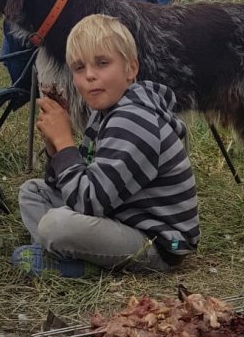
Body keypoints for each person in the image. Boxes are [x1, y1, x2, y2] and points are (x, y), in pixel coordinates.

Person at [12, 14, 200, 278]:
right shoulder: (104, 113)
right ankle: (68, 253)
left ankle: (82, 265)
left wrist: (65, 143)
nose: (90, 75)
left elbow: (90, 202)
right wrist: (55, 149)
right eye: (79, 68)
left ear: (131, 69)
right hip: (120, 214)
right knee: (33, 192)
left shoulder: (134, 119)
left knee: (55, 225)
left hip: (159, 242)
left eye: (102, 63)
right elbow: (78, 183)